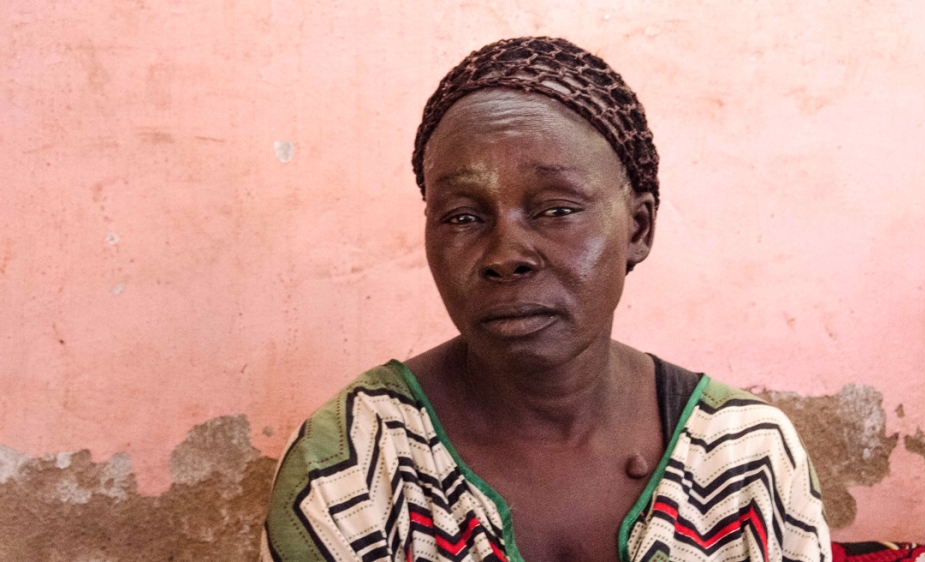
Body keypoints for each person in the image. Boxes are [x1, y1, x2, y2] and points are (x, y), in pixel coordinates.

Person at [262, 36, 830, 562]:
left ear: (638, 229)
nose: (505, 253)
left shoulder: (744, 457)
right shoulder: (355, 462)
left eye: (556, 209)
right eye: (462, 216)